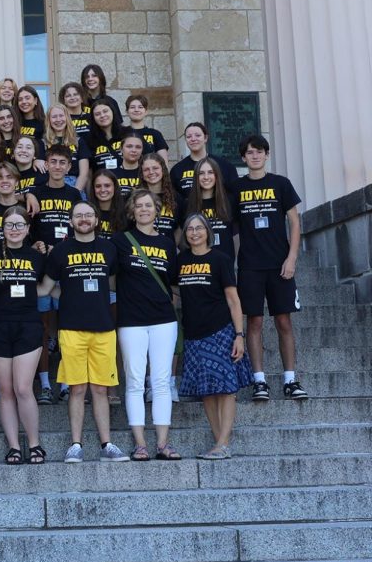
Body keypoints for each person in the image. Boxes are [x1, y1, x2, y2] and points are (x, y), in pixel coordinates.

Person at [38, 201, 129, 463]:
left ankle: (106, 444)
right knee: (77, 389)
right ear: (71, 221)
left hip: (103, 328)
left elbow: (111, 285)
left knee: (100, 389)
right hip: (71, 328)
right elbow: (45, 288)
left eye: (89, 215)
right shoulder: (60, 252)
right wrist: (64, 295)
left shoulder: (108, 249)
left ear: (97, 220)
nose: (84, 219)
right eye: (79, 216)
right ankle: (75, 445)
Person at [233, 133, 307, 402]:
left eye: (259, 151)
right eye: (250, 152)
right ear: (243, 158)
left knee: (284, 321)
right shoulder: (236, 188)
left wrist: (292, 258)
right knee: (254, 321)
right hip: (251, 266)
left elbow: (295, 223)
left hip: (279, 265)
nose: (255, 156)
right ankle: (259, 380)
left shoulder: (281, 184)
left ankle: (290, 379)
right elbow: (231, 229)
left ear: (267, 154)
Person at [178, 213, 254, 458]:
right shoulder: (181, 261)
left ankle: (223, 443)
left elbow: (233, 300)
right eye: (190, 229)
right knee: (206, 390)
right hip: (193, 333)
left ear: (207, 232)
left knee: (226, 388)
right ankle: (217, 443)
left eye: (199, 228)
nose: (194, 232)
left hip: (221, 330)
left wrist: (239, 334)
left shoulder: (220, 260)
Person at [115, 189, 180, 461]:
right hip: (131, 321)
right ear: (132, 211)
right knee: (134, 382)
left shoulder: (167, 244)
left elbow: (174, 282)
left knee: (162, 381)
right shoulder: (120, 241)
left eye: (149, 206)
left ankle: (162, 443)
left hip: (164, 319)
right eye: (138, 206)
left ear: (157, 210)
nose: (144, 210)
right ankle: (140, 443)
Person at [0, 206, 49, 463]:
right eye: (9, 224)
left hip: (28, 325)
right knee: (6, 390)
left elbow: (45, 288)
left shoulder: (37, 257)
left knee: (23, 388)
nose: (14, 229)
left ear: (27, 228)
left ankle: (34, 444)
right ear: (2, 228)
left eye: (19, 224)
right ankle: (13, 446)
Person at [28, 145, 82, 404]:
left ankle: (65, 382)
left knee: (66, 327)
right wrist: (34, 245)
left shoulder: (75, 194)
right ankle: (46, 384)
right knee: (42, 326)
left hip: (67, 268)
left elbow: (82, 228)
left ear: (69, 167)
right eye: (53, 161)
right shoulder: (35, 192)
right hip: (41, 268)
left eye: (63, 162)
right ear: (46, 164)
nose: (58, 166)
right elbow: (25, 226)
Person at [179, 157, 237, 259]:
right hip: (198, 264)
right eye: (201, 173)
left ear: (216, 175)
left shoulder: (229, 201)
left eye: (210, 172)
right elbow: (183, 237)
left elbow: (236, 233)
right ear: (196, 177)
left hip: (225, 261)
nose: (206, 177)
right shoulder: (188, 204)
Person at [170, 122, 240, 197]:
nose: (193, 139)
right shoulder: (177, 170)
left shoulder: (225, 166)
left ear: (205, 138)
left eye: (198, 135)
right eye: (189, 136)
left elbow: (234, 195)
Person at [44, 103, 88, 190]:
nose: (58, 119)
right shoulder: (43, 143)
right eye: (54, 117)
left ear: (67, 118)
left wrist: (75, 193)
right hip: (50, 186)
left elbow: (84, 174)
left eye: (61, 115)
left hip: (75, 185)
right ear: (49, 120)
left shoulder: (78, 141)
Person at [79, 99, 126, 174]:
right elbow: (89, 170)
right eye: (97, 114)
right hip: (102, 183)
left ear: (113, 112)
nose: (102, 115)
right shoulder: (89, 140)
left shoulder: (127, 133)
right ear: (93, 118)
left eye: (105, 111)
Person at [138, 153, 179, 237]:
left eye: (155, 168)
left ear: (163, 170)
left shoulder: (176, 198)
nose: (151, 172)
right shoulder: (135, 198)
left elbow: (179, 229)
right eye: (146, 170)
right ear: (142, 174)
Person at [124, 94, 170, 163]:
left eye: (140, 107)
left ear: (146, 111)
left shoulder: (155, 134)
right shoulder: (122, 133)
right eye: (132, 107)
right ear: (127, 111)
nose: (136, 110)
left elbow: (164, 162)